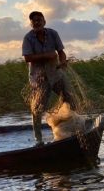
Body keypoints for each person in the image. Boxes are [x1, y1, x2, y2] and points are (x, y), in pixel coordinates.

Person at [22, 11, 76, 145]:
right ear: (31, 23)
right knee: (38, 109)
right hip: (39, 78)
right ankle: (38, 139)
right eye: (34, 20)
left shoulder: (53, 33)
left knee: (70, 99)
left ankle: (72, 130)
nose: (37, 22)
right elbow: (27, 58)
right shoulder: (28, 38)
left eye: (39, 20)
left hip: (55, 74)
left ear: (44, 21)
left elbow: (61, 52)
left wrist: (62, 61)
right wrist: (48, 55)